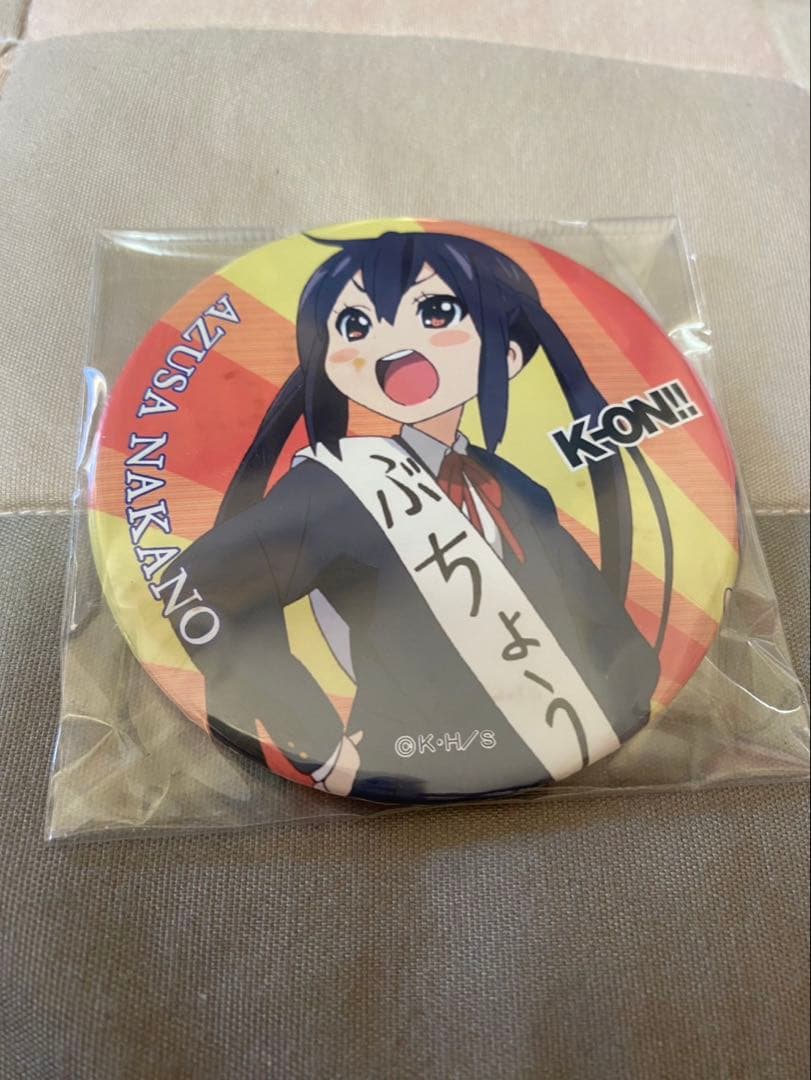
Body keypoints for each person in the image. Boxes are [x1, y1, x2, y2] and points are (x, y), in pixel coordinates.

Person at [164, 230, 663, 801]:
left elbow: (593, 613)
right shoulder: (333, 486)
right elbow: (198, 587)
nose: (393, 346)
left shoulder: (519, 488)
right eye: (356, 325)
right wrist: (315, 741)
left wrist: (625, 705)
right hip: (402, 756)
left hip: (551, 741)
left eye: (436, 313)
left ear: (508, 354)